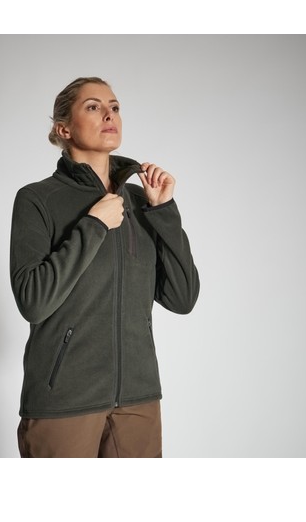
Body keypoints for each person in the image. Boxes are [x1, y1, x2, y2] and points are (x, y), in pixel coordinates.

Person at [10, 77, 200, 457]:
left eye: (114, 107)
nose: (109, 115)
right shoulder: (37, 199)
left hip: (138, 400)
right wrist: (94, 225)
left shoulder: (140, 200)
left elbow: (182, 298)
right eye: (93, 107)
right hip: (64, 401)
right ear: (64, 129)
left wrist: (163, 211)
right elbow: (33, 300)